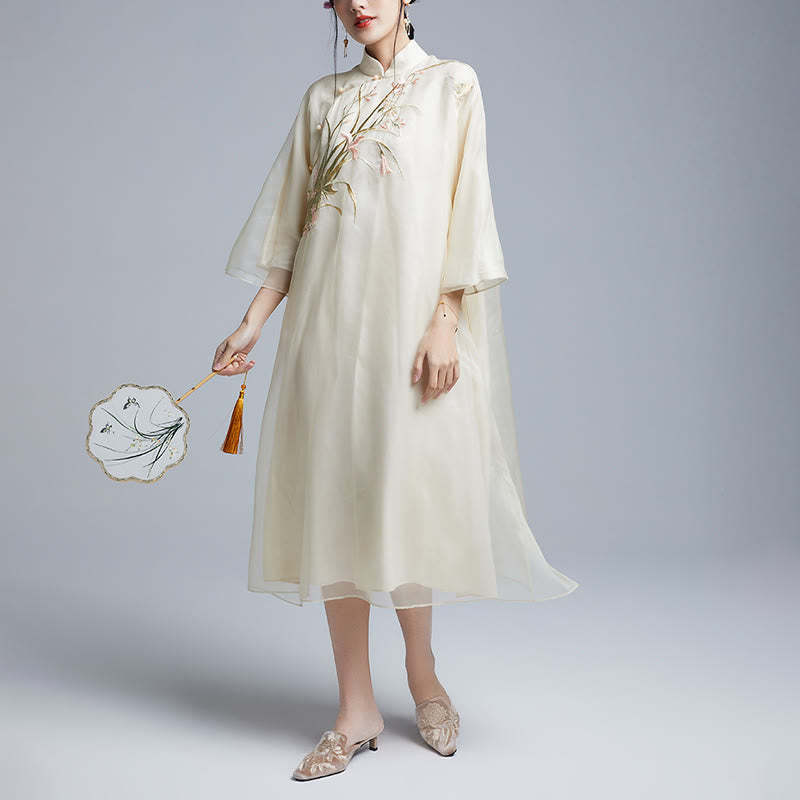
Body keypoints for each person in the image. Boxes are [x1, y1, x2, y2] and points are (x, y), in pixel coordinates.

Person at [212, 0, 578, 780]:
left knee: (405, 494)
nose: (359, 5)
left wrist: (445, 321)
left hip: (411, 332)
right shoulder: (323, 99)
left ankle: (422, 674)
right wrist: (252, 322)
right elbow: (293, 225)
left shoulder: (452, 85)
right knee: (335, 502)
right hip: (326, 329)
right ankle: (356, 707)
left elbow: (466, 213)